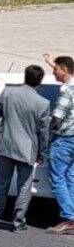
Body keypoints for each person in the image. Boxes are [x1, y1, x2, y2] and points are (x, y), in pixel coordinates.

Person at [0, 65, 51, 231]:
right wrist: (42, 152)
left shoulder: (8, 93)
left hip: (6, 145)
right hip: (28, 150)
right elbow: (43, 132)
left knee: (1, 184)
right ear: (40, 81)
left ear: (25, 76)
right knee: (24, 187)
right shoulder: (43, 103)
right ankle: (18, 222)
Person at [45, 54, 74, 234]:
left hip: (63, 139)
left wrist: (47, 136)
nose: (54, 72)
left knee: (57, 178)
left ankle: (69, 218)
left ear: (64, 70)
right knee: (70, 177)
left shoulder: (67, 91)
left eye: (55, 69)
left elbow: (57, 117)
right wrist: (50, 62)